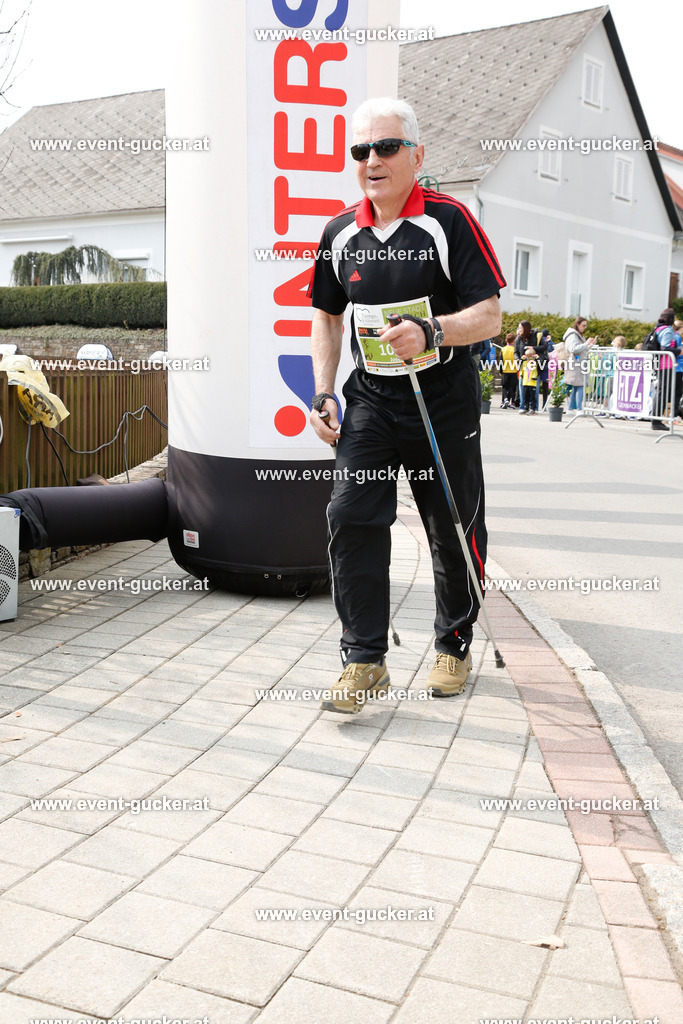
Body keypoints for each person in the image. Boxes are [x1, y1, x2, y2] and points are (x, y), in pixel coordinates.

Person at [308, 96, 505, 713]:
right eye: (360, 150)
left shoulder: (449, 223)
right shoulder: (340, 232)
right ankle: (364, 659)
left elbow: (492, 315)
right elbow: (326, 317)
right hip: (370, 400)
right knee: (350, 515)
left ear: (416, 155)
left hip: (442, 401)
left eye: (386, 147)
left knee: (451, 525)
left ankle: (453, 642)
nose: (372, 160)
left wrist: (435, 332)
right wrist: (322, 392)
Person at [650, 308, 680, 431]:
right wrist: (680, 351)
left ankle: (656, 419)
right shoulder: (667, 330)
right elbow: (665, 348)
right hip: (665, 365)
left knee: (661, 392)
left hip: (661, 364)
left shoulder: (658, 328)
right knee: (663, 392)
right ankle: (656, 421)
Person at [563, 317, 596, 411]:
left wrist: (589, 346)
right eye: (583, 325)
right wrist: (586, 344)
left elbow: (581, 349)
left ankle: (571, 408)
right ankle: (579, 408)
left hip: (579, 363)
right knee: (580, 385)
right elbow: (573, 349)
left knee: (576, 386)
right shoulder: (573, 335)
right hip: (576, 364)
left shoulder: (577, 335)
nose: (585, 327)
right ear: (577, 324)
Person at [500, 332, 518, 408]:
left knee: (504, 386)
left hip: (505, 370)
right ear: (514, 341)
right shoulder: (514, 350)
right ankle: (512, 402)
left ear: (506, 340)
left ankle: (505, 399)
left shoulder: (503, 349)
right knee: (512, 387)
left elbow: (501, 361)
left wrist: (500, 371)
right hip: (513, 370)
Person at [519, 346, 538, 414]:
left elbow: (541, 364)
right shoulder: (524, 363)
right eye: (528, 356)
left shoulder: (535, 363)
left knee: (532, 397)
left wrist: (537, 358)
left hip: (532, 382)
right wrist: (522, 359)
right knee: (525, 396)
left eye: (531, 356)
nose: (529, 358)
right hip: (525, 382)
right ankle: (526, 407)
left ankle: (532, 408)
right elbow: (519, 365)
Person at [674, 319, 683, 421]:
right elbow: (678, 351)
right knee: (677, 392)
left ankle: (674, 414)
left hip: (676, 367)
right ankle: (675, 414)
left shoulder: (674, 336)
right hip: (678, 368)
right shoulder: (677, 337)